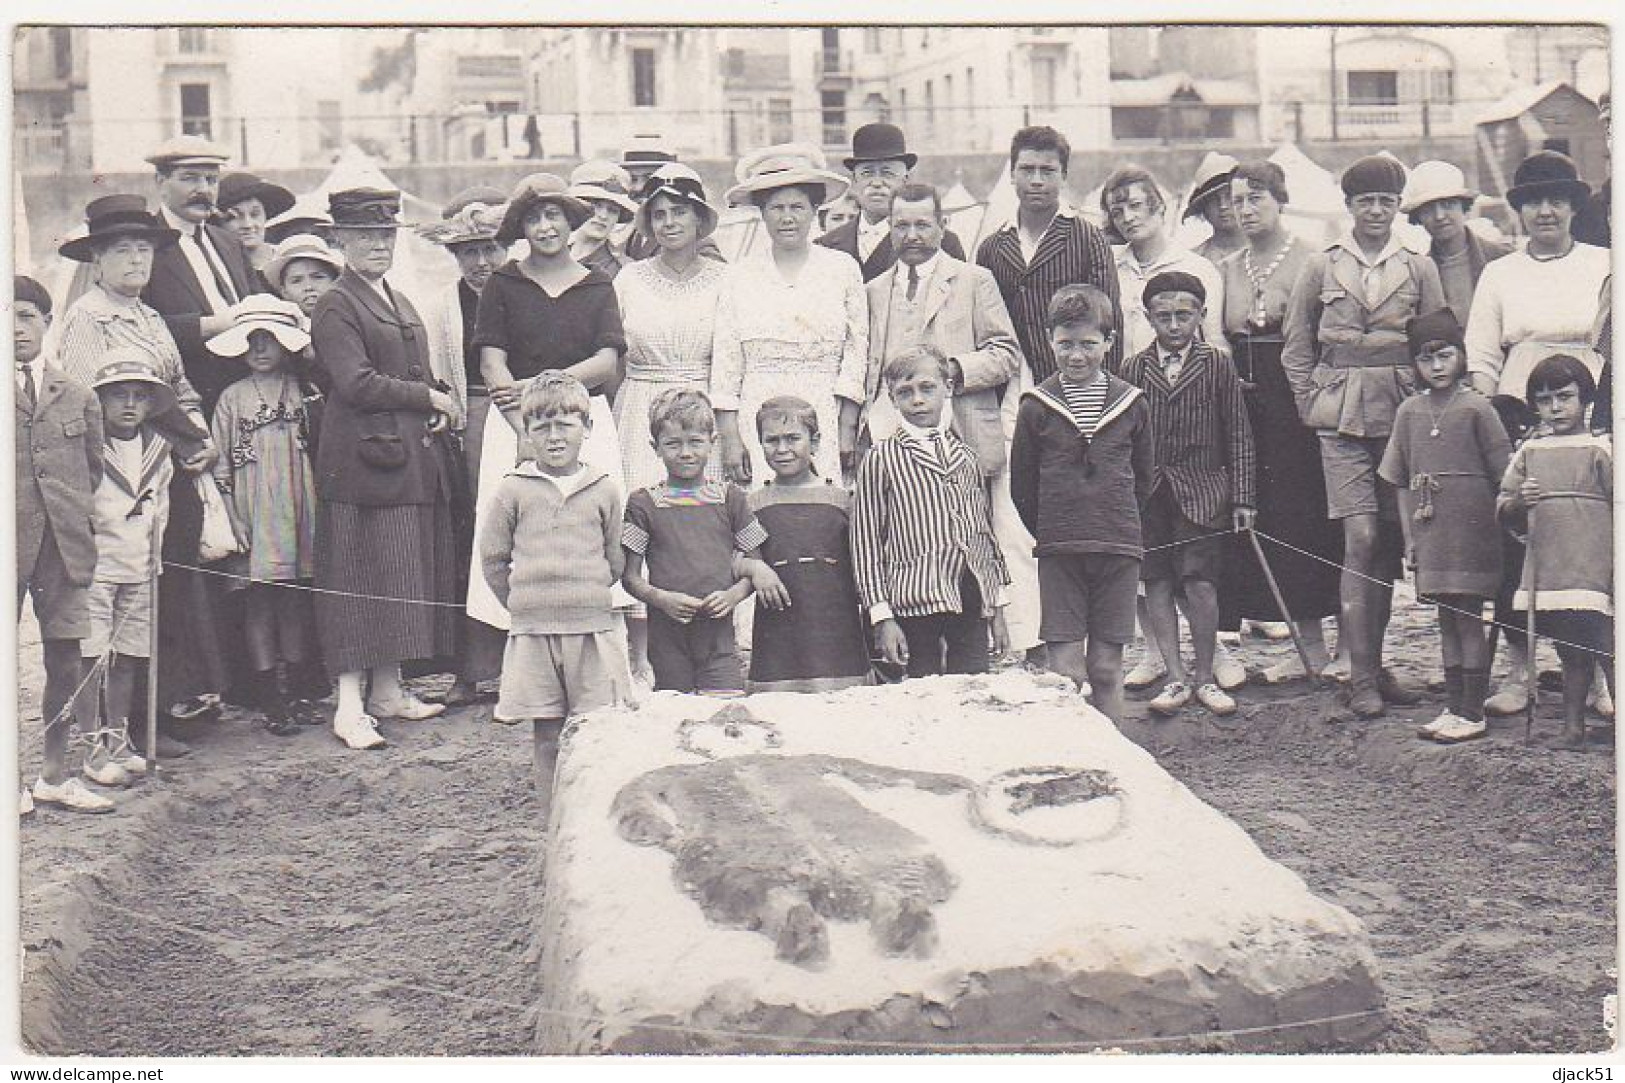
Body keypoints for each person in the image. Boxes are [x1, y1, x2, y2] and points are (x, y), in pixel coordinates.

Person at [53, 193, 221, 755]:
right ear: (95, 261)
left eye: (144, 249)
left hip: (161, 472)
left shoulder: (149, 318)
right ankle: (102, 729)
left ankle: (149, 718)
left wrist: (199, 437)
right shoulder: (86, 320)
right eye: (121, 250)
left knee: (158, 588)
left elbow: (181, 388)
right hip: (111, 473)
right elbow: (80, 404)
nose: (134, 261)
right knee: (108, 598)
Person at [1281, 154, 1443, 718]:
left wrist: (1428, 407)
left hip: (1402, 413)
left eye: (1387, 201)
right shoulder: (1321, 266)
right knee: (1361, 540)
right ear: (1348, 207)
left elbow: (1434, 342)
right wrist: (1311, 402)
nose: (1376, 211)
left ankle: (1377, 663)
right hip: (1341, 414)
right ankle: (1361, 675)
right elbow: (1297, 345)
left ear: (1399, 208)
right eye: (1365, 201)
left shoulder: (1419, 267)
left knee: (1393, 544)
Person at [1464, 150, 1611, 718]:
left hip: (1594, 421)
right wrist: (1509, 423)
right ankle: (1518, 670)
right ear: (1519, 211)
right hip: (1523, 421)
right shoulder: (1500, 273)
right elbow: (1480, 357)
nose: (1545, 212)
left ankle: (1601, 675)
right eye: (1533, 202)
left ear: (1574, 207)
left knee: (1593, 548)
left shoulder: (1604, 263)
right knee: (1518, 545)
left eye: (1556, 200)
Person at [311, 187, 460, 751]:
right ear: (340, 241)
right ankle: (349, 707)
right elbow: (355, 383)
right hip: (359, 463)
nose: (377, 245)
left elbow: (412, 370)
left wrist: (436, 399)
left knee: (398, 574)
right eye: (364, 236)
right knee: (357, 581)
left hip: (401, 460)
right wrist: (430, 398)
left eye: (384, 235)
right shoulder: (336, 302)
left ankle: (388, 689)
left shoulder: (393, 296)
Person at [466, 174, 631, 652]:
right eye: (534, 218)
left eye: (554, 215)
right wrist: (524, 423)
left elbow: (605, 361)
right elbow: (491, 360)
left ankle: (601, 648)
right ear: (522, 227)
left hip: (583, 422)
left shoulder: (597, 285)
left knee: (590, 524)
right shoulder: (503, 283)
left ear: (570, 220)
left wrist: (548, 389)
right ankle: (521, 653)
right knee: (517, 531)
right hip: (517, 424)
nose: (545, 227)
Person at [977, 126, 1123, 658]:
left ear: (1064, 176)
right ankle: (1030, 638)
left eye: (1048, 171)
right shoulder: (993, 246)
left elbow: (1113, 321)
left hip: (1078, 389)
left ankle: (1081, 637)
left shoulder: (1085, 237)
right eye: (1027, 170)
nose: (1036, 180)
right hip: (1016, 393)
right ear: (1012, 173)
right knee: (1015, 512)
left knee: (1076, 511)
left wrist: (1106, 402)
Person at [1218, 160, 1346, 683]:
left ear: (1280, 199)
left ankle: (1328, 645)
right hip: (1247, 407)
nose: (1245, 210)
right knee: (1263, 519)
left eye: (1257, 198)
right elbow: (1222, 338)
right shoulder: (1228, 266)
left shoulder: (1311, 260)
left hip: (1296, 402)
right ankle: (1299, 639)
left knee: (1306, 519)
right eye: (1238, 200)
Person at [479, 373, 632, 807]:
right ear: (526, 433)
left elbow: (614, 556)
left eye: (565, 425)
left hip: (591, 629)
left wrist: (587, 593)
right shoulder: (513, 489)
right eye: (542, 426)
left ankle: (592, 812)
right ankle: (554, 817)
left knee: (594, 730)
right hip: (535, 632)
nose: (554, 436)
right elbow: (493, 559)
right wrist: (523, 603)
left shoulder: (603, 488)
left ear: (586, 428)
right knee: (547, 733)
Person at [1009, 285, 1153, 723]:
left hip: (1118, 550)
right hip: (1060, 552)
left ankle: (1119, 766)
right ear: (1049, 339)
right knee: (1065, 672)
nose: (1076, 356)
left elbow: (1144, 479)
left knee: (1107, 669)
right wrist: (1055, 529)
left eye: (1088, 345)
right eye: (1065, 344)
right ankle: (1073, 760)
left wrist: (1115, 522)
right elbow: (1023, 485)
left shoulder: (1131, 403)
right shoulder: (1036, 406)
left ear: (1109, 343)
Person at [1115, 272, 1256, 718]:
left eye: (1183, 315)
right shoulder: (1133, 368)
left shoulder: (1217, 363)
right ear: (1148, 317)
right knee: (1156, 580)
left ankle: (1205, 678)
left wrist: (1243, 498)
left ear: (1201, 315)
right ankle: (1174, 676)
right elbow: (1122, 437)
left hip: (1204, 492)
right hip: (1150, 492)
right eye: (1163, 317)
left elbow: (1238, 432)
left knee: (1199, 582)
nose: (1174, 325)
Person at [1378, 309, 1511, 744]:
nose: (1435, 367)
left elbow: (1503, 477)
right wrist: (1411, 538)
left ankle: (1472, 711)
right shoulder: (1408, 412)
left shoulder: (1478, 407)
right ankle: (1453, 705)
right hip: (1431, 528)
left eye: (1444, 355)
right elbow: (1399, 481)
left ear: (1461, 355)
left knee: (1468, 616)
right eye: (1424, 359)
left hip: (1472, 529)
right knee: (1446, 619)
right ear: (1414, 364)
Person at [712, 144, 868, 484]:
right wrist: (730, 437)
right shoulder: (739, 275)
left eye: (797, 207)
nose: (787, 217)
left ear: (815, 210)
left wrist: (846, 428)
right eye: (776, 208)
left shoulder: (842, 269)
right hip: (757, 409)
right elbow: (726, 362)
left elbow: (857, 352)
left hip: (823, 410)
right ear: (762, 213)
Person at [851, 345, 1010, 679]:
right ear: (892, 400)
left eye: (927, 388)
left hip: (968, 594)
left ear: (948, 388)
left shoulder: (966, 456)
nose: (918, 400)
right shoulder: (881, 459)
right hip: (912, 599)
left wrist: (996, 600)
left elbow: (983, 531)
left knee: (972, 687)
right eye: (905, 392)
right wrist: (882, 616)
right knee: (919, 696)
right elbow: (865, 544)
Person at [15, 275, 112, 814]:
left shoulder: (77, 394)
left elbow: (91, 471)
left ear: (48, 322)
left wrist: (67, 523)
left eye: (26, 315)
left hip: (64, 549)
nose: (15, 328)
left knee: (66, 661)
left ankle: (54, 773)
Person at [205, 297, 321, 736]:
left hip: (298, 504)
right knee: (259, 601)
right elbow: (221, 466)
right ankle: (268, 695)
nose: (260, 349)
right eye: (251, 341)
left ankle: (295, 690)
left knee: (293, 598)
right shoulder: (231, 399)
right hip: (254, 509)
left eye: (269, 339)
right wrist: (233, 516)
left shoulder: (302, 389)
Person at [417, 188, 510, 706]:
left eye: (490, 247)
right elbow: (436, 371)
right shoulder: (444, 307)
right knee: (475, 537)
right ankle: (472, 668)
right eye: (468, 251)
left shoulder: (524, 290)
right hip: (470, 419)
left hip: (524, 416)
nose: (481, 262)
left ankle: (529, 660)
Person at [860, 182, 1020, 479]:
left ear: (942, 226)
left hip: (962, 432)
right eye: (901, 226)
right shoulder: (873, 290)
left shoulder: (975, 280)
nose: (911, 236)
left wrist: (953, 370)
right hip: (890, 436)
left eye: (922, 225)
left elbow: (1007, 353)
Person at [73, 353, 178, 798]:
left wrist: (154, 557)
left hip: (139, 569)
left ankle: (118, 734)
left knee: (129, 657)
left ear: (152, 405)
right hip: (97, 569)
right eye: (119, 396)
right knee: (91, 658)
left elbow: (162, 510)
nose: (130, 405)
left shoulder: (158, 450)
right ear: (99, 402)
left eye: (139, 397)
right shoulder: (88, 449)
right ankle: (88, 741)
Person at [1497, 355, 1614, 750]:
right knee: (1569, 650)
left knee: (1608, 647)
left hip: (1595, 565)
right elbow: (1504, 506)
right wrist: (1518, 502)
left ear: (1586, 399)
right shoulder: (1531, 451)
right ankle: (1572, 728)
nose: (1555, 408)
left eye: (1565, 397)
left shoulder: (1602, 448)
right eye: (1545, 400)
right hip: (1551, 566)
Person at [621, 389, 771, 695]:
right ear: (655, 447)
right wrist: (662, 599)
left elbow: (755, 564)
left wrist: (732, 595)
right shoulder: (643, 503)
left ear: (712, 443)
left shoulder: (731, 499)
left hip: (718, 636)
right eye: (673, 444)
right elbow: (629, 577)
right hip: (666, 636)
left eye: (695, 442)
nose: (685, 453)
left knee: (723, 715)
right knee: (675, 719)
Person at [613, 164, 728, 492]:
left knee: (704, 509)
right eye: (659, 215)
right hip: (641, 409)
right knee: (644, 504)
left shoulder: (725, 279)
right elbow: (615, 359)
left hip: (705, 410)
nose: (669, 223)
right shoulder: (629, 279)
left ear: (699, 219)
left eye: (679, 212)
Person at [747, 396, 871, 692]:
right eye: (771, 440)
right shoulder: (753, 504)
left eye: (793, 439)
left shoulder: (842, 501)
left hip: (836, 632)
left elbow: (864, 564)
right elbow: (738, 557)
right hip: (778, 636)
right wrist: (755, 568)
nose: (782, 449)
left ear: (814, 442)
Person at [141, 135, 258, 415]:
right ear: (160, 182)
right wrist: (211, 326)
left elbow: (256, 302)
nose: (203, 189)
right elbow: (137, 328)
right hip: (187, 404)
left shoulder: (229, 242)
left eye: (211, 180)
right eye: (190, 178)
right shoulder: (144, 247)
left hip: (246, 397)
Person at [1102, 166, 1227, 361]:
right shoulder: (1107, 266)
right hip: (1121, 385)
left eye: (1135, 205)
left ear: (1159, 205)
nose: (1127, 218)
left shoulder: (1198, 268)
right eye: (1117, 212)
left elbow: (1214, 340)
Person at [817, 122, 966, 281]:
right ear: (854, 180)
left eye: (887, 173)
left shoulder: (942, 241)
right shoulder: (825, 246)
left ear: (905, 180)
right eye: (867, 173)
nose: (877, 183)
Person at [1400, 161, 1513, 329]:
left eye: (1447, 205)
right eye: (1428, 209)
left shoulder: (1504, 259)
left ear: (1463, 207)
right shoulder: (1417, 273)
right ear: (1419, 218)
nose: (1439, 216)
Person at [215, 171, 296, 291]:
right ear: (219, 223)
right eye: (235, 217)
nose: (248, 225)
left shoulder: (289, 258)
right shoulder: (217, 266)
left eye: (255, 214)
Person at [566, 160, 638, 280]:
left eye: (613, 210)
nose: (603, 216)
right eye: (596, 206)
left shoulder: (622, 271)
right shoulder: (551, 253)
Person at [1185, 152, 1243, 265]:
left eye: (1229, 196)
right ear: (1203, 209)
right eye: (1213, 200)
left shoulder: (1267, 251)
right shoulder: (1193, 261)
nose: (1223, 206)